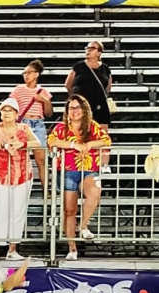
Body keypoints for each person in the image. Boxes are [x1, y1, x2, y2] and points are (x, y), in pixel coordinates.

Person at [48, 94, 111, 261]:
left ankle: (83, 225)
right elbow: (52, 141)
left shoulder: (92, 126)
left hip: (88, 170)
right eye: (71, 108)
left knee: (95, 192)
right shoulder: (61, 128)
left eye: (77, 107)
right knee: (69, 210)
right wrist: (73, 145)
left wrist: (90, 144)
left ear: (84, 109)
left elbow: (106, 140)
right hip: (67, 171)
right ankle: (72, 247)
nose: (74, 111)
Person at [0, 97, 41, 261]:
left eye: (10, 110)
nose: (6, 113)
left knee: (18, 211)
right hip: (0, 175)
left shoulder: (24, 128)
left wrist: (22, 144)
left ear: (16, 113)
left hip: (22, 175)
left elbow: (37, 143)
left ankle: (12, 249)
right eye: (4, 110)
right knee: (1, 210)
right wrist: (3, 145)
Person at [65, 40, 113, 173]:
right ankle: (79, 162)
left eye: (92, 48)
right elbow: (68, 84)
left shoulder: (105, 68)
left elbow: (108, 86)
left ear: (99, 52)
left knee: (103, 133)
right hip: (82, 104)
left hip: (99, 104)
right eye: (87, 48)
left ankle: (104, 164)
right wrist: (76, 99)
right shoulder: (79, 66)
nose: (88, 50)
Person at [10, 59, 52, 185]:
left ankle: (46, 190)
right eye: (24, 73)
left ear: (36, 74)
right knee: (19, 158)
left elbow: (49, 113)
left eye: (29, 72)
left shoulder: (43, 91)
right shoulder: (18, 89)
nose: (26, 75)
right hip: (23, 123)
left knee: (41, 159)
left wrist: (44, 101)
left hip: (38, 122)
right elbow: (11, 105)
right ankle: (19, 186)